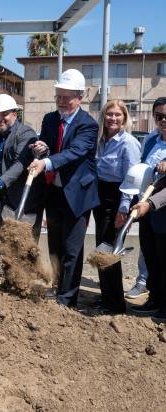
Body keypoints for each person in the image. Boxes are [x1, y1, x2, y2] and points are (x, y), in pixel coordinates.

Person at [28, 69, 99, 308]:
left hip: (77, 194)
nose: (61, 102)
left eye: (67, 97)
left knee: (72, 249)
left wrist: (46, 162)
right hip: (54, 192)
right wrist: (42, 148)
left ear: (80, 97)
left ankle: (67, 301)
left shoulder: (88, 125)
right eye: (59, 96)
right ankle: (58, 288)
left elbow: (74, 152)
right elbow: (51, 148)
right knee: (55, 246)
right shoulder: (50, 119)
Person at [90, 100, 140, 314]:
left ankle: (116, 304)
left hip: (117, 200)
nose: (113, 118)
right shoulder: (100, 140)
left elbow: (132, 180)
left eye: (118, 115)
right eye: (109, 114)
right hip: (100, 199)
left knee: (110, 251)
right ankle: (106, 297)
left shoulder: (128, 142)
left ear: (124, 118)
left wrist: (124, 209)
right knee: (101, 247)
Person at [0, 94, 43, 240]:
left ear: (15, 114)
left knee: (26, 251)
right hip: (6, 202)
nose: (0, 119)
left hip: (25, 200)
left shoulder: (25, 133)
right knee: (5, 248)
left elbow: (21, 164)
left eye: (5, 114)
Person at [128, 96, 166, 320]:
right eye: (159, 116)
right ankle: (154, 299)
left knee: (165, 260)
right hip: (147, 210)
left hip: (161, 210)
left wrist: (150, 204)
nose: (163, 120)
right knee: (151, 256)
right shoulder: (151, 141)